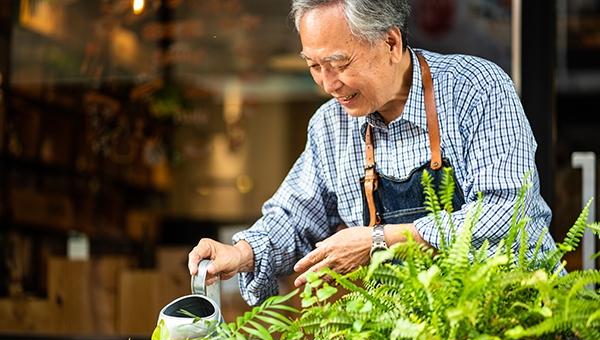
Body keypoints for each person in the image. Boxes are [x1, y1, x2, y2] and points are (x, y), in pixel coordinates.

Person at [188, 0, 555, 306]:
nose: (329, 85)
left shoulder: (475, 89)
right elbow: (295, 216)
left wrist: (380, 241)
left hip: (515, 324)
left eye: (340, 64)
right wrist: (242, 254)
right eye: (314, 67)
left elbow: (509, 211)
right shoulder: (331, 126)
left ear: (391, 44)